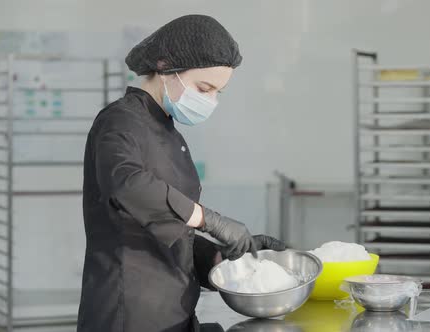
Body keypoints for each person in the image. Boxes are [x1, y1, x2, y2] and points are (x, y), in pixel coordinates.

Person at [78, 15, 286, 332]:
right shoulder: (120, 121)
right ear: (165, 66)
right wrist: (211, 221)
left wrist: (222, 258)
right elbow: (128, 184)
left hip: (172, 310)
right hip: (129, 313)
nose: (210, 100)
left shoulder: (168, 132)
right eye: (204, 88)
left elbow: (167, 228)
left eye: (218, 92)